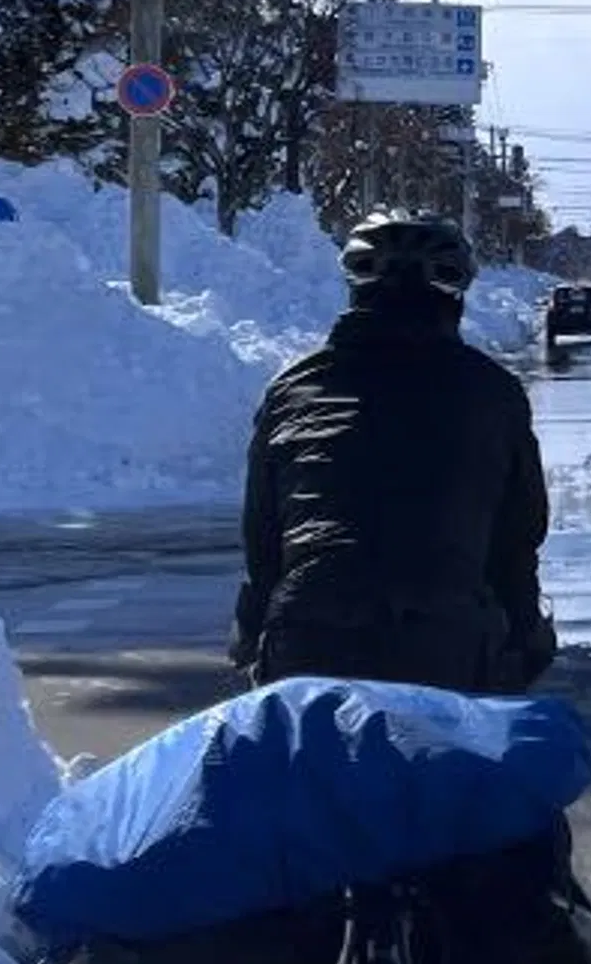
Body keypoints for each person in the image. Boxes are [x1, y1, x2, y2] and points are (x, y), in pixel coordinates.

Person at [233, 213, 557, 693]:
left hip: (305, 639)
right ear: (456, 300)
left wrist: (252, 641)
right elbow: (517, 539)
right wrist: (526, 641)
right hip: (450, 640)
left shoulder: (293, 389)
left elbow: (262, 540)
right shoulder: (492, 392)